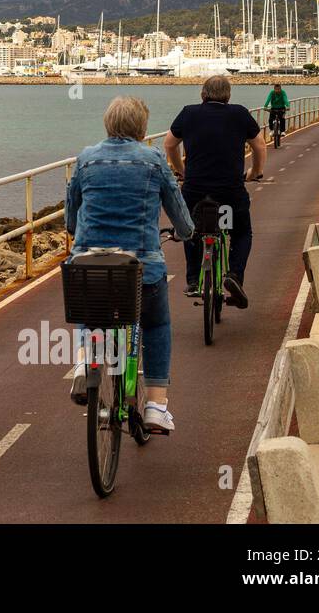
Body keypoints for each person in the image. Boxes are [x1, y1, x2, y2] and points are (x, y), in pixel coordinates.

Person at [65, 96, 194, 434]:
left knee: (91, 308)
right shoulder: (153, 160)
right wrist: (186, 232)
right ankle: (155, 406)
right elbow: (179, 212)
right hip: (140, 268)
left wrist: (76, 231)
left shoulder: (86, 158)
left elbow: (70, 213)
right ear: (142, 127)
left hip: (89, 263)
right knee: (156, 325)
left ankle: (83, 363)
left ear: (108, 123)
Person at [164, 75, 266, 309]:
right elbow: (259, 145)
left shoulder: (188, 113)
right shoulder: (239, 113)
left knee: (189, 230)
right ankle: (235, 276)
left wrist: (183, 170)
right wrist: (255, 172)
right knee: (241, 233)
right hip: (230, 190)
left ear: (203, 94)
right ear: (228, 96)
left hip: (195, 189)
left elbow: (169, 144)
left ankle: (192, 280)